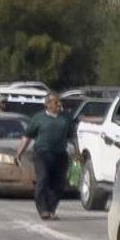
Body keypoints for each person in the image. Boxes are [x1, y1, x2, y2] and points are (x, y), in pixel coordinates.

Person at [16, 90, 77, 221]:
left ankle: (52, 209)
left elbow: (73, 137)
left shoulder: (66, 118)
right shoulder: (38, 118)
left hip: (60, 154)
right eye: (56, 102)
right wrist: (19, 153)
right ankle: (43, 209)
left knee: (58, 184)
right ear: (48, 104)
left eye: (59, 102)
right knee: (43, 180)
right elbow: (27, 137)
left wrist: (77, 152)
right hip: (42, 154)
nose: (59, 104)